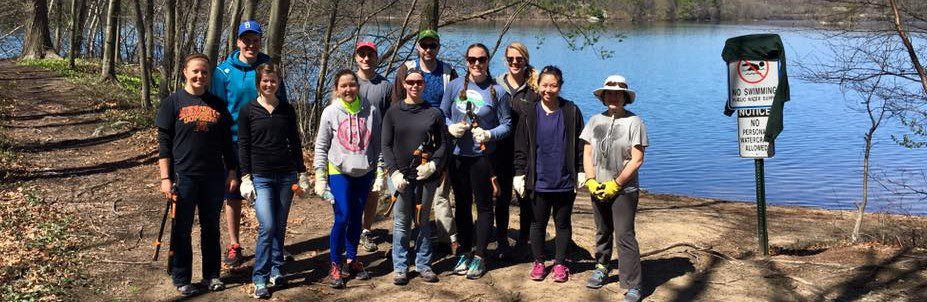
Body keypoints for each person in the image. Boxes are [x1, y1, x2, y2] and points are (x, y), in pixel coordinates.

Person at [210, 20, 289, 267]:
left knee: (269, 193)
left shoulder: (268, 68)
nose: (251, 45)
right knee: (233, 194)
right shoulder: (223, 72)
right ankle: (235, 245)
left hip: (265, 143)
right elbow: (217, 110)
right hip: (235, 142)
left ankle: (274, 246)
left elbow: (282, 103)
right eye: (246, 40)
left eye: (255, 40)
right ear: (238, 42)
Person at [156, 53, 236, 296]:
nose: (200, 76)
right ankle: (182, 278)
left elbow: (226, 143)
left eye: (204, 72)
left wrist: (232, 171)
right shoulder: (172, 102)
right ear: (185, 72)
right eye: (195, 71)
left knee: (211, 227)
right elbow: (164, 143)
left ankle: (212, 275)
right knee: (182, 229)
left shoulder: (217, 105)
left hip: (213, 176)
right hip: (184, 177)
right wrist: (165, 178)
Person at [237, 63, 309, 299]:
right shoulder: (248, 110)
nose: (270, 84)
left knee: (279, 225)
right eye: (265, 80)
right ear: (258, 82)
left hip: (286, 175)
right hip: (261, 177)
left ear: (279, 82)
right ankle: (260, 277)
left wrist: (302, 172)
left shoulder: (287, 110)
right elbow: (243, 145)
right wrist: (245, 177)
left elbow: (295, 143)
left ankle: (277, 270)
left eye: (274, 80)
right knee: (267, 226)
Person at [440, 43, 512, 280]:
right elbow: (443, 113)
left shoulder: (497, 91)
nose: (477, 64)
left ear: (488, 60)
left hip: (483, 158)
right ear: (467, 61)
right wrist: (450, 128)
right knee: (461, 205)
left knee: (483, 207)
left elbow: (507, 124)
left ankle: (480, 256)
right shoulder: (453, 86)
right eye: (472, 59)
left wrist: (490, 134)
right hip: (459, 157)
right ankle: (464, 251)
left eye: (481, 59)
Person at [512, 66, 584, 283]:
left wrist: (581, 169)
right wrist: (519, 173)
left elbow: (581, 144)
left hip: (564, 180)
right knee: (538, 224)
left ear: (560, 86)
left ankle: (560, 263)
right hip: (538, 180)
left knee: (562, 223)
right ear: (538, 86)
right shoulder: (530, 113)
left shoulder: (571, 111)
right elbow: (521, 146)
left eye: (553, 85)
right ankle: (539, 262)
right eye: (544, 85)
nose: (548, 90)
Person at [581, 74, 648, 302]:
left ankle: (633, 284)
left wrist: (616, 183)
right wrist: (590, 180)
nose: (614, 97)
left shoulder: (634, 122)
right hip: (598, 185)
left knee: (624, 234)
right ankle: (601, 266)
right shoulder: (594, 121)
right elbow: (587, 153)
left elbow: (637, 159)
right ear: (603, 96)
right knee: (602, 230)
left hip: (624, 190)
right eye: (609, 93)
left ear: (625, 97)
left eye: (619, 94)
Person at [392, 29, 459, 254]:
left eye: (433, 45)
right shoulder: (407, 69)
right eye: (424, 45)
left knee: (439, 192)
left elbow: (458, 103)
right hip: (411, 138)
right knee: (408, 190)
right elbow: (395, 104)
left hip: (440, 138)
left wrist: (453, 128)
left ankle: (447, 239)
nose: (428, 50)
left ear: (438, 47)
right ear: (418, 47)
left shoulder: (448, 72)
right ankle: (406, 243)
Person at [314, 69, 381, 289]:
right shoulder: (330, 112)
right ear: (336, 89)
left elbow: (377, 144)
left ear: (358, 86)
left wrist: (379, 171)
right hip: (339, 171)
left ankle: (352, 259)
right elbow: (321, 146)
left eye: (352, 85)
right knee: (341, 217)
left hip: (364, 170)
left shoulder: (371, 110)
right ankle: (335, 263)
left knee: (356, 218)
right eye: (343, 86)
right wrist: (320, 176)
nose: (348, 89)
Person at [381, 68, 448, 285]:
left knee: (423, 221)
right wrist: (394, 173)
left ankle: (424, 264)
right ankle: (400, 267)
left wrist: (434, 165)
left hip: (425, 178)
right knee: (401, 222)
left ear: (424, 85)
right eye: (410, 82)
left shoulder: (434, 113)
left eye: (419, 82)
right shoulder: (393, 112)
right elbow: (386, 145)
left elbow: (443, 145)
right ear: (404, 84)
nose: (414, 86)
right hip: (401, 177)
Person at [493, 42, 540, 260]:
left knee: (526, 198)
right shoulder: (496, 86)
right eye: (511, 59)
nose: (515, 62)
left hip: (528, 153)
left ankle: (524, 241)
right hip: (500, 151)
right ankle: (502, 240)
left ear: (526, 60)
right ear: (505, 60)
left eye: (519, 59)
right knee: (501, 198)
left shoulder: (535, 88)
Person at [355, 41, 392, 253]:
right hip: (350, 147)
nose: (366, 58)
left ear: (376, 58)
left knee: (373, 190)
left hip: (376, 146)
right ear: (356, 57)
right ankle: (351, 227)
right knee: (350, 190)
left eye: (370, 55)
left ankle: (366, 230)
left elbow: (390, 118)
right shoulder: (348, 82)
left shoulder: (385, 86)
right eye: (362, 54)